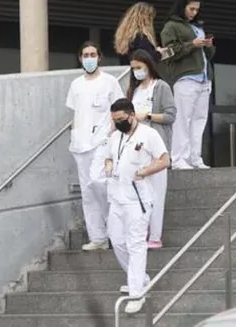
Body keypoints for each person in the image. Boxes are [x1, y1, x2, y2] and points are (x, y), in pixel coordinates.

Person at [91, 98, 170, 314]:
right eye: (114, 120)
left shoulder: (148, 135)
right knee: (117, 241)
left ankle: (137, 293)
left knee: (135, 243)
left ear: (132, 115)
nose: (117, 123)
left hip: (138, 200)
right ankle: (140, 279)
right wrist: (108, 165)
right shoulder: (115, 136)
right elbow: (108, 157)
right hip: (116, 197)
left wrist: (143, 172)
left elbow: (164, 160)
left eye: (121, 119)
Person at [65, 41, 124, 251]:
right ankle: (97, 237)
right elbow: (75, 113)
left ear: (99, 57)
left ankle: (115, 231)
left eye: (92, 54)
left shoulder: (109, 82)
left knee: (100, 183)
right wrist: (74, 134)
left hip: (102, 142)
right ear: (80, 59)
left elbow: (120, 109)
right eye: (85, 55)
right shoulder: (76, 85)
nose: (89, 58)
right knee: (87, 191)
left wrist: (114, 134)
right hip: (80, 144)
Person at [160, 0, 215, 170]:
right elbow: (170, 51)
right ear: (182, 6)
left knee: (199, 120)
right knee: (183, 119)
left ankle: (195, 157)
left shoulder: (197, 27)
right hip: (186, 77)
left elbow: (209, 55)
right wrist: (193, 44)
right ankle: (178, 158)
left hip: (204, 77)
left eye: (197, 10)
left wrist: (208, 45)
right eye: (191, 9)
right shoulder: (171, 26)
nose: (194, 13)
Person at [127, 49, 176, 249]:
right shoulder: (134, 90)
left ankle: (155, 236)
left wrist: (147, 116)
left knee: (157, 193)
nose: (137, 72)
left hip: (156, 147)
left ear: (148, 65)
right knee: (139, 193)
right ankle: (141, 231)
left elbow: (170, 115)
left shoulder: (161, 87)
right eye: (134, 69)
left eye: (140, 67)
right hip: (136, 148)